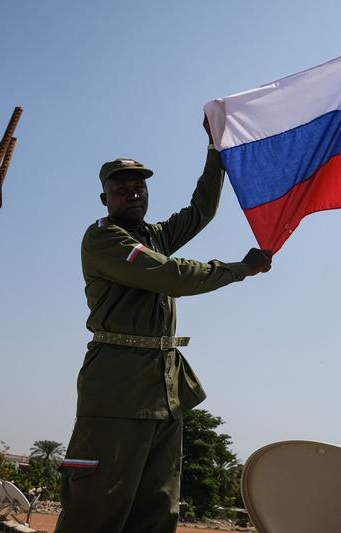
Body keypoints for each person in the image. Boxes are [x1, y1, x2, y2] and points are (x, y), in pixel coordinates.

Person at [54, 117, 272, 533]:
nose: (133, 193)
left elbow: (201, 210)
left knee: (157, 505)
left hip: (165, 387)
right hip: (117, 385)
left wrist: (215, 150)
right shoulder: (104, 240)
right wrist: (239, 269)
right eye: (121, 188)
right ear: (105, 198)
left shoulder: (153, 235)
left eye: (139, 187)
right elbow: (169, 275)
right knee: (97, 503)